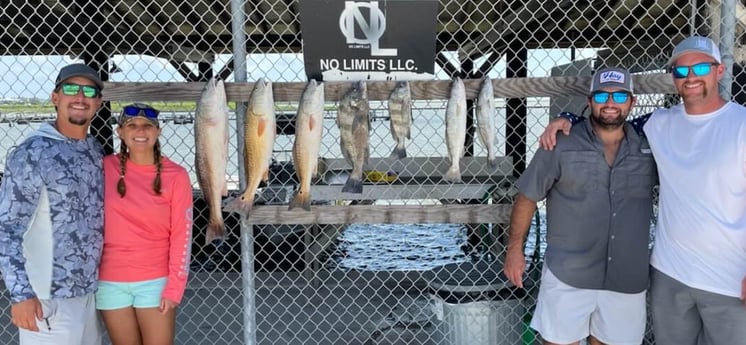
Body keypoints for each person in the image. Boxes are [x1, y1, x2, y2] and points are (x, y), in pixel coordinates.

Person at [539, 36, 746, 345]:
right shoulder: (658, 123)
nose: (690, 76)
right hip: (669, 275)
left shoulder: (741, 123)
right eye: (680, 70)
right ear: (673, 77)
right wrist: (569, 119)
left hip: (730, 280)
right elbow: (610, 124)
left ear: (719, 71)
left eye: (701, 66)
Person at [503, 67, 657, 345]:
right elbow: (527, 197)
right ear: (589, 101)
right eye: (602, 96)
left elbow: (685, 120)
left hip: (627, 278)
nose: (610, 103)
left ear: (632, 102)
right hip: (568, 273)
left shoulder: (652, 143)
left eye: (620, 96)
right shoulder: (561, 141)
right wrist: (515, 251)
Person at [0, 63, 105, 344]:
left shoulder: (93, 150)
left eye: (89, 90)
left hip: (86, 294)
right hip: (47, 296)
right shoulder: (32, 153)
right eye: (71, 88)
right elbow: (7, 228)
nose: (80, 97)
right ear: (55, 97)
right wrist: (21, 294)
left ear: (98, 102)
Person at [95, 103, 193, 345]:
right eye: (132, 125)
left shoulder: (176, 176)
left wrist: (174, 286)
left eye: (148, 125)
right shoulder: (103, 167)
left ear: (158, 131)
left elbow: (182, 235)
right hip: (110, 280)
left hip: (155, 280)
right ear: (120, 132)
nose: (140, 131)